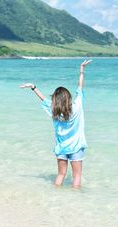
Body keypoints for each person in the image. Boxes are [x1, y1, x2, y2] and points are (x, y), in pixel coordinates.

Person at [20, 60, 92, 188]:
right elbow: (80, 87)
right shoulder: (77, 106)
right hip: (76, 147)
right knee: (77, 176)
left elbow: (44, 99)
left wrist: (33, 87)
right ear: (68, 97)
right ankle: (76, 202)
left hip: (61, 148)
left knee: (61, 175)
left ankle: (55, 196)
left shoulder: (54, 111)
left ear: (56, 100)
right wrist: (81, 70)